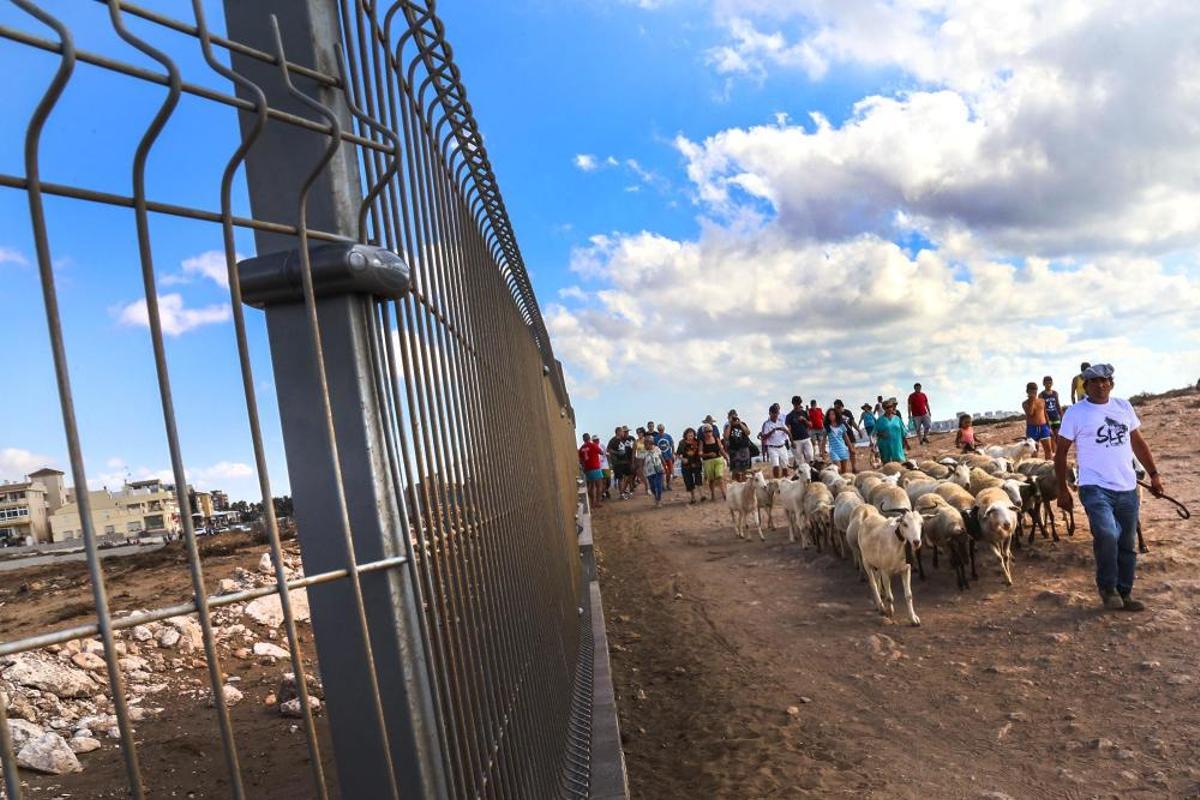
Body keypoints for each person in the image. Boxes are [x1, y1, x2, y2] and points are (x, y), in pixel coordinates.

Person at [1055, 363, 1164, 612]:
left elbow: (1138, 442)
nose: (1101, 385)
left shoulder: (1123, 406)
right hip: (1094, 486)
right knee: (1107, 534)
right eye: (1095, 381)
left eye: (1106, 381)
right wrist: (1062, 489)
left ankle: (1124, 592)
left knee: (1127, 542)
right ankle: (1107, 587)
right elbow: (1060, 452)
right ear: (1086, 385)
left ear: (1111, 383)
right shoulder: (1075, 413)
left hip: (1127, 486)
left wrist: (1154, 475)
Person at [759, 403, 791, 478]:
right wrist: (772, 431)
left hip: (782, 446)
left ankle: (785, 480)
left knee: (785, 466)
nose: (775, 415)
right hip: (772, 448)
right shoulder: (766, 424)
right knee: (776, 466)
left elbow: (788, 432)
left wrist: (791, 441)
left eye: (777, 413)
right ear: (770, 413)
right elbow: (764, 437)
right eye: (774, 413)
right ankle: (777, 481)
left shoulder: (781, 421)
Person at [1022, 381, 1054, 458]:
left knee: (1048, 450)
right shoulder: (1025, 403)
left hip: (1044, 427)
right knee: (1034, 451)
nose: (1033, 392)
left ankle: (1048, 468)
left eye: (1035, 390)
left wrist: (1049, 428)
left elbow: (1045, 414)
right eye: (1031, 391)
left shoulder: (1042, 401)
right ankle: (1034, 468)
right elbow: (1030, 413)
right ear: (1027, 391)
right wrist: (1032, 400)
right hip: (1032, 429)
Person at [699, 423, 727, 501]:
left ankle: (724, 494)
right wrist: (708, 454)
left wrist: (726, 457)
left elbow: (721, 449)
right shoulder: (702, 441)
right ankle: (713, 495)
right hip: (708, 461)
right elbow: (700, 453)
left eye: (710, 431)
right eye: (706, 431)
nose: (708, 433)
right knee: (711, 480)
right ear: (703, 433)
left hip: (718, 459)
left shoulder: (716, 438)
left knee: (719, 476)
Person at [675, 428, 705, 504]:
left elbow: (701, 448)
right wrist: (682, 459)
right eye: (689, 435)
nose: (690, 436)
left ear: (694, 435)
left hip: (696, 463)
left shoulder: (697, 441)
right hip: (686, 465)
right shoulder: (682, 443)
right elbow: (677, 454)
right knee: (689, 481)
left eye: (692, 435)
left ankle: (702, 496)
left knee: (698, 479)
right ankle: (693, 498)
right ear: (685, 435)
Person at [874, 397, 907, 464]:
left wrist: (905, 444)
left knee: (901, 464)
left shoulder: (897, 419)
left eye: (891, 407)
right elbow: (874, 434)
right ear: (884, 408)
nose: (889, 409)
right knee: (888, 466)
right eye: (887, 407)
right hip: (885, 446)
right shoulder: (879, 420)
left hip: (897, 446)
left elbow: (903, 432)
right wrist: (880, 434)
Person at [724, 409, 753, 481]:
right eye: (732, 417)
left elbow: (748, 432)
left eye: (735, 416)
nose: (734, 418)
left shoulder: (742, 424)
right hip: (734, 450)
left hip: (744, 449)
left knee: (745, 470)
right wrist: (730, 424)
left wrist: (739, 423)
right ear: (728, 417)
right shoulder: (727, 426)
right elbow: (726, 437)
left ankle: (744, 484)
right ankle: (735, 485)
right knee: (735, 470)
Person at [606, 426, 635, 499]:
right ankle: (621, 494)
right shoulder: (613, 440)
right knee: (620, 478)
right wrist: (617, 453)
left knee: (630, 474)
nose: (623, 433)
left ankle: (627, 490)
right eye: (622, 431)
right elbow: (608, 450)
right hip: (618, 463)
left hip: (625, 461)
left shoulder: (623, 439)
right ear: (618, 432)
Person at [785, 395, 813, 468]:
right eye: (795, 404)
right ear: (793, 404)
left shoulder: (805, 413)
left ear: (800, 403)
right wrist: (791, 441)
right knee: (799, 461)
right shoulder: (789, 416)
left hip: (806, 438)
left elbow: (810, 425)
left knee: (810, 456)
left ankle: (810, 471)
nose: (797, 405)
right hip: (796, 440)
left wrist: (804, 420)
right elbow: (789, 430)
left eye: (798, 403)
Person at [578, 433, 605, 508]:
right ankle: (598, 502)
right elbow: (601, 452)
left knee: (591, 486)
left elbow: (580, 459)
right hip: (595, 468)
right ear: (589, 438)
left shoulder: (581, 448)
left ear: (583, 439)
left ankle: (592, 502)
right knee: (599, 485)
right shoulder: (593, 445)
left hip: (587, 469)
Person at [825, 408, 854, 474]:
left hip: (843, 449)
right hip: (833, 451)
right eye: (829, 415)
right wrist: (823, 454)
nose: (831, 416)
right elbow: (823, 441)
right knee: (837, 470)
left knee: (844, 472)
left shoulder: (842, 426)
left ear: (836, 415)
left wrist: (851, 448)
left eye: (832, 414)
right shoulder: (827, 427)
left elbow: (846, 438)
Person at [640, 432, 666, 506]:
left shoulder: (657, 449)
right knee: (653, 487)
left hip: (659, 470)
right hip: (649, 472)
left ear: (651, 443)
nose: (645, 445)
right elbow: (641, 463)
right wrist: (641, 472)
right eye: (644, 443)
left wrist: (665, 467)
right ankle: (655, 496)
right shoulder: (643, 451)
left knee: (659, 485)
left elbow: (661, 458)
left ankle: (659, 500)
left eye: (646, 443)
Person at [1040, 376, 1063, 453]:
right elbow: (1042, 409)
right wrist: (1045, 420)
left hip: (1056, 417)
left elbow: (1058, 405)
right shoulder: (1041, 395)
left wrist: (1062, 416)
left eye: (1050, 382)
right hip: (1047, 418)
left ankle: (1060, 452)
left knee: (1058, 436)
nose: (1048, 384)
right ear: (1043, 383)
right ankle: (1054, 454)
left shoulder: (1055, 393)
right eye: (1046, 383)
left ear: (1052, 383)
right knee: (1051, 436)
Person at [654, 424, 676, 490]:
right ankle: (662, 486)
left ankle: (668, 484)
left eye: (662, 429)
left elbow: (672, 445)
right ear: (658, 430)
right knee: (661, 472)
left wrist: (672, 454)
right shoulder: (656, 438)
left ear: (664, 429)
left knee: (669, 472)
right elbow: (654, 448)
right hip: (660, 458)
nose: (661, 431)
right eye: (659, 430)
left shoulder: (668, 436)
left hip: (668, 457)